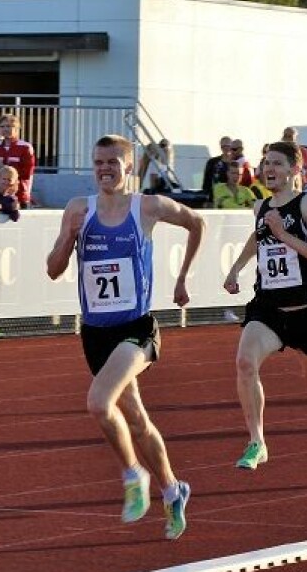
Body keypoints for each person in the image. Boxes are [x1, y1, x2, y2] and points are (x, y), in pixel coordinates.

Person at [46, 134, 204, 540]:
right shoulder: (79, 209)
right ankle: (173, 489)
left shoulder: (147, 207)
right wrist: (68, 237)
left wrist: (183, 277)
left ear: (129, 166)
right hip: (95, 332)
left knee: (99, 403)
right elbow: (53, 268)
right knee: (135, 417)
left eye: (113, 162)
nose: (105, 169)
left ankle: (134, 474)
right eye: (99, 162)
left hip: (136, 330)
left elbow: (196, 222)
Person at [222, 140, 307, 471]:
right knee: (244, 362)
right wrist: (235, 268)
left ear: (295, 170)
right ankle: (257, 442)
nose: (268, 169)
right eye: (265, 162)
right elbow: (258, 238)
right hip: (268, 309)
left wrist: (284, 235)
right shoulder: (260, 208)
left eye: (277, 163)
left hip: (305, 313)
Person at [0, 113, 35, 207]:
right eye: (3, 126)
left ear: (17, 128)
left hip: (19, 196)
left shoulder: (25, 147)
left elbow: (26, 173)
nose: (6, 129)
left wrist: (2, 165)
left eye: (9, 126)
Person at [202, 135, 233, 200]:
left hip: (232, 197)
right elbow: (206, 181)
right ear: (221, 147)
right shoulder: (212, 162)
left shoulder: (236, 163)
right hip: (215, 197)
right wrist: (206, 196)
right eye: (223, 146)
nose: (226, 148)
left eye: (228, 145)